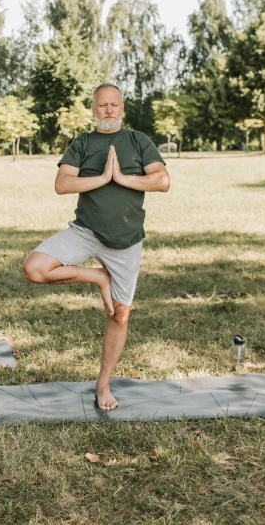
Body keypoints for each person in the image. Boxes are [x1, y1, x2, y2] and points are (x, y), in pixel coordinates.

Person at [23, 83, 170, 410]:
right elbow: (63, 184)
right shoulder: (83, 143)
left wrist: (121, 178)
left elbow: (162, 180)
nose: (108, 110)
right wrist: (102, 178)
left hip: (126, 240)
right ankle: (98, 277)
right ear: (94, 109)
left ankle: (103, 385)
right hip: (85, 231)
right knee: (34, 268)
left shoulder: (138, 141)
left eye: (114, 104)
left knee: (119, 315)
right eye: (102, 105)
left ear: (122, 108)